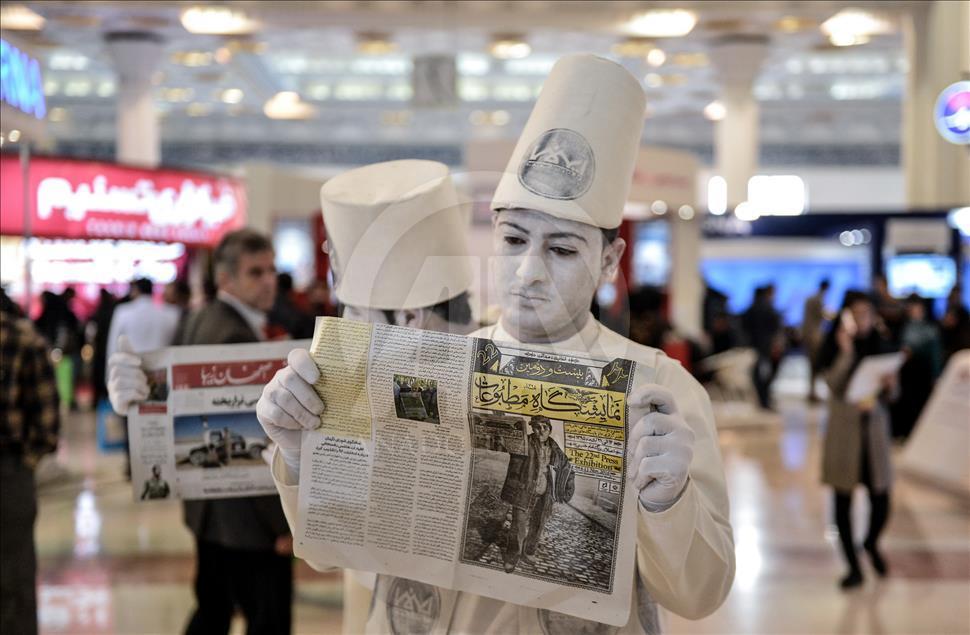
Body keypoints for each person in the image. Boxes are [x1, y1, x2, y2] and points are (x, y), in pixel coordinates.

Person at [256, 55, 733, 633]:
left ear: (609, 260)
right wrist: (303, 454)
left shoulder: (660, 389)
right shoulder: (429, 364)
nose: (528, 271)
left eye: (561, 249)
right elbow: (336, 551)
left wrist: (668, 496)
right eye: (513, 239)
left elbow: (700, 593)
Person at [108, 229, 293, 635]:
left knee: (212, 610)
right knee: (268, 619)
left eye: (272, 270)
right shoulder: (235, 336)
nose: (268, 281)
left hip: (209, 512)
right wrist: (283, 523)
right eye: (255, 272)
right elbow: (254, 442)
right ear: (226, 279)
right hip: (247, 520)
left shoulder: (200, 317)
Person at [816, 291, 896, 590]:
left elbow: (893, 395)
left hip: (873, 432)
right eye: (857, 312)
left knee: (882, 500)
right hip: (844, 434)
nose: (864, 319)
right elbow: (833, 385)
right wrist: (846, 351)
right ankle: (852, 566)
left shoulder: (882, 344)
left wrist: (890, 386)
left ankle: (871, 543)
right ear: (846, 314)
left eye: (868, 313)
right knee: (842, 501)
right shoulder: (833, 345)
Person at [1, 301, 61, 635]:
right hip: (10, 474)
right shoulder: (25, 338)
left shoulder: (19, 339)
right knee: (13, 578)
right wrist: (25, 463)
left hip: (10, 472)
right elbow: (47, 425)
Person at [499, 415, 571, 572]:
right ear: (533, 428)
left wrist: (565, 490)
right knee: (518, 526)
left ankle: (529, 552)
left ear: (550, 429)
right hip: (524, 491)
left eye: (545, 427)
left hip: (545, 495)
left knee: (538, 525)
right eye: (538, 427)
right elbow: (510, 448)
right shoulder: (524, 442)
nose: (542, 431)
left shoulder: (554, 447)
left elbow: (567, 466)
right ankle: (512, 557)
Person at [891, 294, 943, 440]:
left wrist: (936, 375)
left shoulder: (930, 328)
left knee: (920, 405)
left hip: (922, 373)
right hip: (905, 372)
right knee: (905, 404)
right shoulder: (903, 326)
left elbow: (935, 354)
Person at [105, 278, 181, 362]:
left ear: (136, 290)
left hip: (130, 368)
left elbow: (112, 347)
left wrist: (110, 372)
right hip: (162, 368)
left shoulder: (122, 312)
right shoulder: (171, 313)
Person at [742, 284, 784, 410]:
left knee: (759, 375)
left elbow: (744, 327)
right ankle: (765, 400)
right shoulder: (769, 309)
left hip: (755, 347)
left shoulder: (751, 309)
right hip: (767, 347)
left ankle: (762, 400)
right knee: (765, 375)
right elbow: (776, 329)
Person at [802, 279, 830, 402]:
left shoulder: (811, 298)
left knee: (813, 365)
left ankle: (812, 391)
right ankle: (813, 391)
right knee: (815, 364)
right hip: (814, 335)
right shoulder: (818, 299)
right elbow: (822, 315)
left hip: (809, 333)